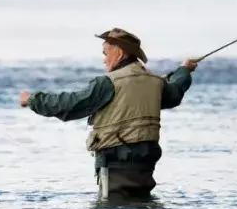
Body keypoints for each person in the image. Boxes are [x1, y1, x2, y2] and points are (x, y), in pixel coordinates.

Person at [19, 28, 198, 198]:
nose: (104, 60)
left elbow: (70, 105)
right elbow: (175, 92)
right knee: (141, 207)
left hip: (116, 163)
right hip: (146, 162)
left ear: (119, 53)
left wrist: (33, 99)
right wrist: (184, 70)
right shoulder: (155, 82)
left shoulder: (108, 83)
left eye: (106, 53)